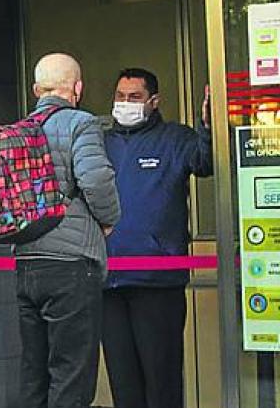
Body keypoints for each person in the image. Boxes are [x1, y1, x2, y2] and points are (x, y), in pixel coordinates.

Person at [102, 68, 212, 408]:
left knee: (161, 383)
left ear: (154, 101)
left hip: (158, 283)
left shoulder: (174, 138)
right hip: (108, 284)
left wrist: (209, 127)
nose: (125, 103)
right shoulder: (100, 143)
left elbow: (205, 162)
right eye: (120, 96)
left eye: (134, 97)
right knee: (124, 387)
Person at [16, 53, 121, 408]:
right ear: (77, 87)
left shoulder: (19, 131)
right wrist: (109, 219)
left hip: (27, 262)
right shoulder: (81, 123)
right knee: (71, 375)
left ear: (36, 90)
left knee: (34, 374)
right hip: (71, 265)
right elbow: (96, 178)